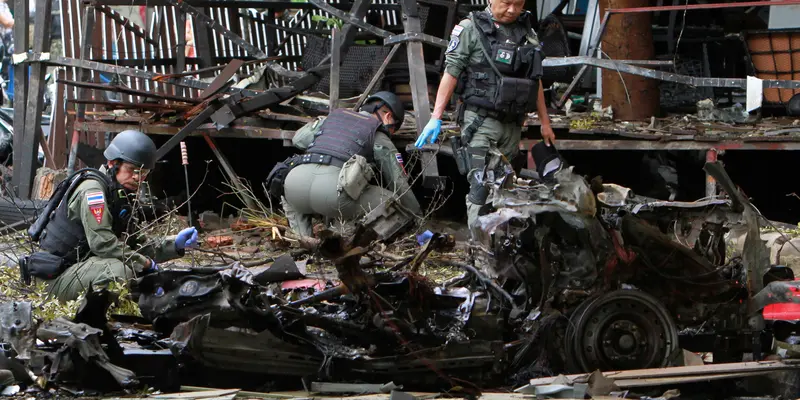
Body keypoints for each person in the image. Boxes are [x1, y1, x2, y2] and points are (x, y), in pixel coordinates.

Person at [413, 0, 556, 237]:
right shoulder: (470, 28)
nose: (512, 10)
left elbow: (535, 81)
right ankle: (479, 249)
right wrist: (435, 117)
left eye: (518, 4)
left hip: (512, 125)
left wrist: (545, 122)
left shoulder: (526, 32)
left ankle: (501, 249)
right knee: (481, 187)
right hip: (480, 123)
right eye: (506, 3)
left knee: (507, 189)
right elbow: (452, 72)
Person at [25, 130, 198, 302]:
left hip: (79, 269)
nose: (138, 178)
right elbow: (103, 243)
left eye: (143, 173)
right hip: (54, 278)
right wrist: (145, 263)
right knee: (119, 271)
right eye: (132, 170)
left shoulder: (119, 194)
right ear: (112, 163)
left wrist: (173, 244)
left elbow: (135, 244)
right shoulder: (93, 190)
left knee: (134, 272)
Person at [281, 91, 422, 236]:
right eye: (393, 128)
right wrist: (418, 220)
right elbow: (398, 182)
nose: (391, 133)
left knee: (297, 202)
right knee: (388, 200)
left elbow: (298, 140)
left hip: (293, 187)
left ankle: (303, 241)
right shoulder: (377, 134)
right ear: (388, 116)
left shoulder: (331, 119)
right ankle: (340, 238)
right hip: (331, 195)